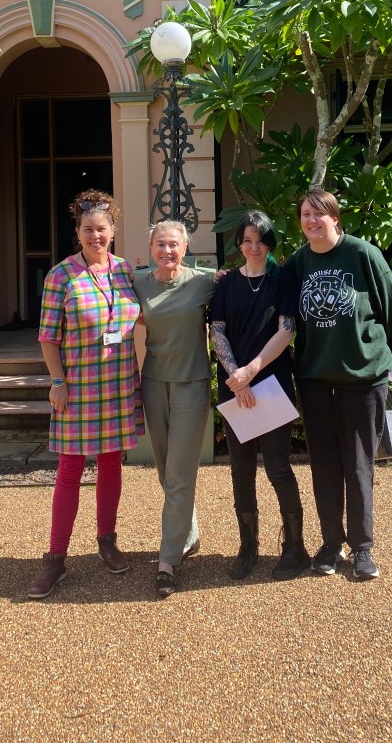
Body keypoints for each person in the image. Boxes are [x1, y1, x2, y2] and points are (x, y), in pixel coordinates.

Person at [284, 189, 392, 581]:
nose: (312, 221)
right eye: (306, 214)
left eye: (320, 214)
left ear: (336, 218)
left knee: (358, 466)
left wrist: (380, 360)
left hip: (361, 382)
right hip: (315, 381)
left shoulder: (362, 254)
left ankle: (363, 548)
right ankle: (331, 543)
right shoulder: (298, 263)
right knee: (323, 466)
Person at [27, 190, 143, 599]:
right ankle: (56, 558)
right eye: (88, 229)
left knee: (111, 465)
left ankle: (107, 541)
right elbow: (47, 337)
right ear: (77, 232)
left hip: (118, 384)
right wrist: (57, 381)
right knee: (70, 472)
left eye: (102, 228)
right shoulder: (61, 275)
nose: (96, 235)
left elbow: (158, 300)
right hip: (77, 387)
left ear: (113, 231)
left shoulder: (126, 271)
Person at [210, 210, 311, 581]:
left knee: (278, 467)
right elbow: (216, 330)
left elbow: (286, 331)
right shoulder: (224, 284)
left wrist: (251, 370)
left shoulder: (282, 280)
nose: (254, 247)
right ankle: (247, 547)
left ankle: (295, 548)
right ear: (239, 243)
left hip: (271, 385)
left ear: (271, 243)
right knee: (240, 470)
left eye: (261, 240)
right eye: (248, 240)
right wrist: (236, 375)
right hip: (235, 387)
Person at [132, 220, 216, 599]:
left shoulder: (204, 281)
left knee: (180, 474)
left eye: (174, 245)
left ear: (185, 249)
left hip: (192, 385)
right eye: (161, 245)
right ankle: (189, 533)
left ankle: (167, 561)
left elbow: (247, 283)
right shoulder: (138, 283)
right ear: (151, 249)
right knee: (166, 470)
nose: (167, 251)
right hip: (153, 382)